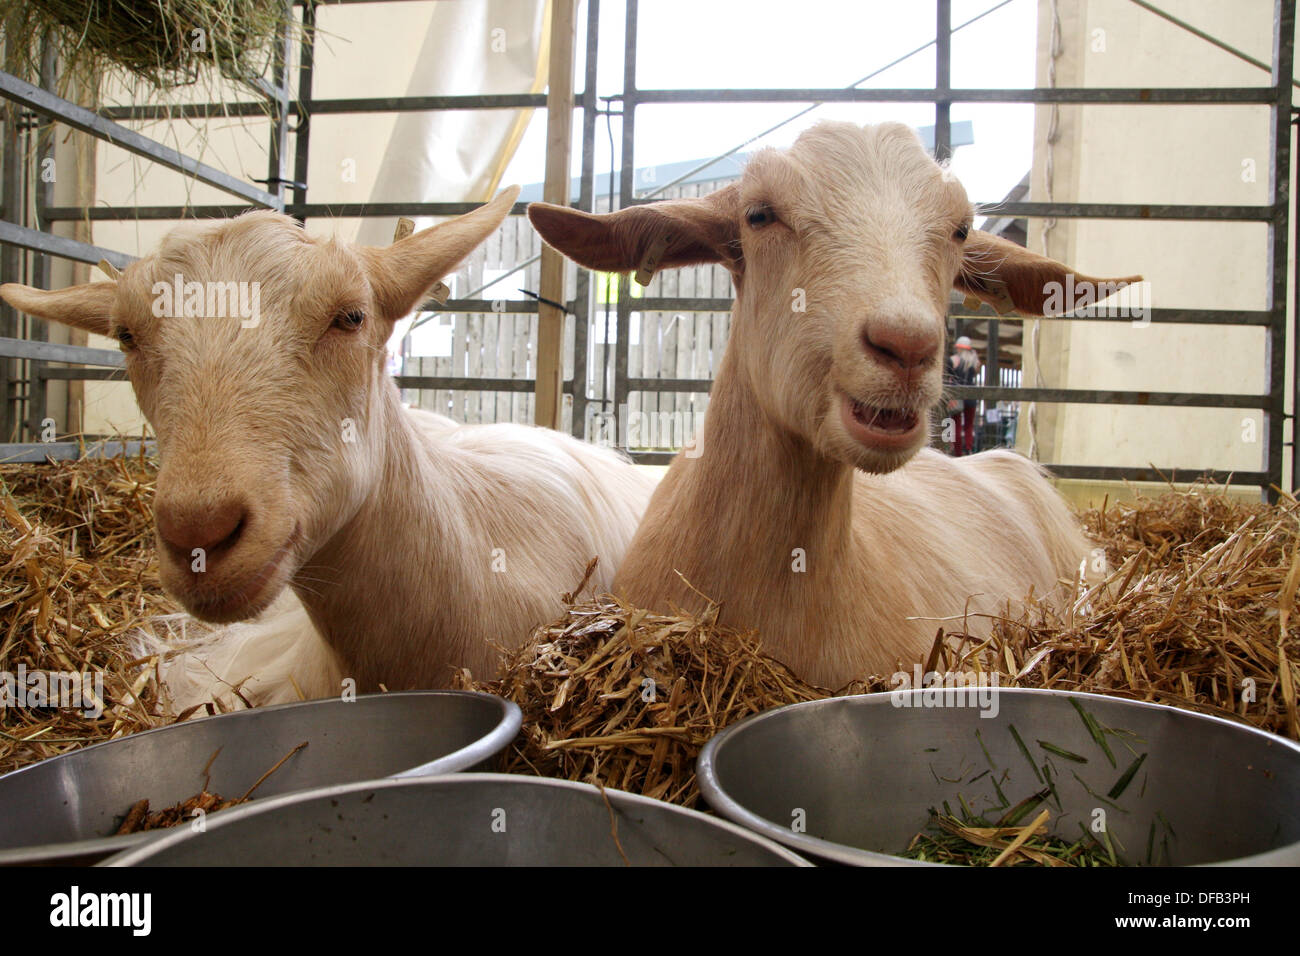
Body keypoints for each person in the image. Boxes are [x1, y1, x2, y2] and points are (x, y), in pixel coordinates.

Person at [945, 336, 981, 456]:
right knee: (969, 425)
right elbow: (976, 372)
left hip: (957, 396)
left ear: (958, 348)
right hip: (971, 396)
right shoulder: (974, 361)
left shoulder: (953, 360)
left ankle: (958, 451)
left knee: (956, 425)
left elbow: (949, 378)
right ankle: (969, 448)